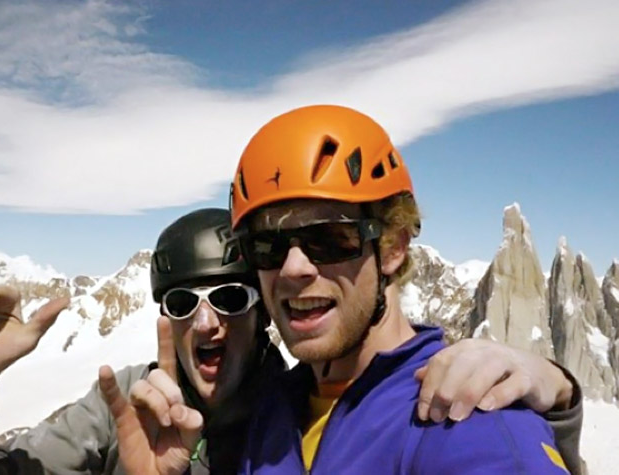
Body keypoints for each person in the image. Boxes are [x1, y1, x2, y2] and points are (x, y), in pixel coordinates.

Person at [0, 212, 580, 474]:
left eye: (230, 298)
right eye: (183, 303)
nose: (206, 323)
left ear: (262, 310)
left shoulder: (301, 407)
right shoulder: (122, 408)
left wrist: (555, 391)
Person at [221, 105, 582, 474]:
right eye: (266, 246)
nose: (293, 267)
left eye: (330, 238)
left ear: (393, 247)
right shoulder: (272, 411)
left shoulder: (465, 413)